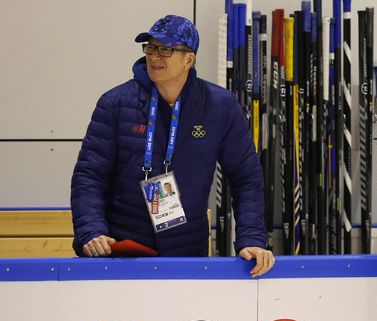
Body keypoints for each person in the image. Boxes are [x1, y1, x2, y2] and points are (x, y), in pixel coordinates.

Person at [70, 15, 274, 277]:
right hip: (121, 253)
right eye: (151, 47)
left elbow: (246, 178)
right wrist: (92, 230)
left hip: (187, 254)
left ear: (189, 59)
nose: (155, 56)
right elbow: (89, 176)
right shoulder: (116, 103)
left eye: (166, 49)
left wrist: (251, 239)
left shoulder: (220, 106)